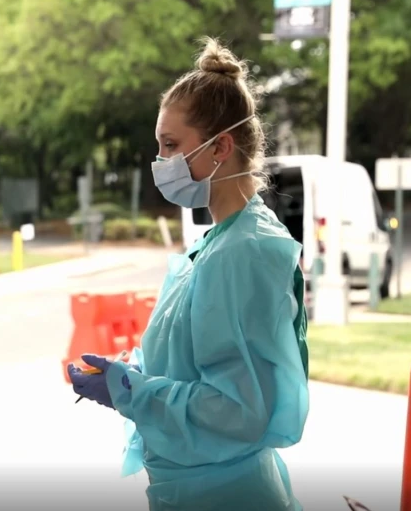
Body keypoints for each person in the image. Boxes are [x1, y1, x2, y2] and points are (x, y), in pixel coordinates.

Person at [67, 38, 309, 511]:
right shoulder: (218, 240)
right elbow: (202, 363)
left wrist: (129, 390)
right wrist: (137, 370)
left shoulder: (244, 252)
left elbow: (239, 410)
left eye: (171, 146)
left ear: (221, 146)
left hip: (225, 493)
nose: (160, 162)